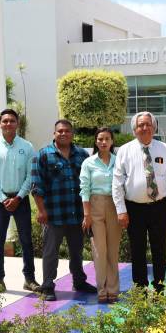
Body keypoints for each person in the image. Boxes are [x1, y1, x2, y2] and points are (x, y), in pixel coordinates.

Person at [31, 119, 96, 302]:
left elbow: (89, 184)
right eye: (59, 131)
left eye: (67, 131)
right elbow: (36, 186)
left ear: (72, 134)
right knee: (50, 252)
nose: (63, 134)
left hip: (76, 214)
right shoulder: (43, 155)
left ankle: (79, 281)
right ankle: (48, 286)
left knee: (76, 251)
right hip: (54, 215)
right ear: (54, 134)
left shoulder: (82, 155)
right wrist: (41, 211)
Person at [112, 111, 166, 292]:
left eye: (148, 124)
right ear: (134, 129)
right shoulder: (124, 151)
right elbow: (117, 183)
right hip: (134, 209)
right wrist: (121, 210)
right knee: (137, 250)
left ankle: (159, 287)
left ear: (154, 127)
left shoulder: (164, 148)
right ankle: (140, 289)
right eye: (140, 125)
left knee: (159, 249)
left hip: (159, 207)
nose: (144, 128)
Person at [0, 109, 38, 293]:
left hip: (21, 200)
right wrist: (5, 198)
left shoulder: (27, 147)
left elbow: (31, 175)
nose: (8, 124)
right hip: (0, 201)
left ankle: (29, 279)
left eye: (12, 121)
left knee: (26, 240)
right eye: (4, 121)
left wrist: (19, 196)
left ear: (17, 124)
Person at [80, 127, 122, 304]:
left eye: (107, 139)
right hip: (94, 206)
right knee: (99, 251)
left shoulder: (119, 161)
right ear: (95, 142)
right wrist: (87, 214)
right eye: (100, 139)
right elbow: (84, 189)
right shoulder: (88, 163)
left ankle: (113, 289)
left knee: (113, 249)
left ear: (112, 141)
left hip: (115, 204)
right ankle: (102, 289)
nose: (103, 142)